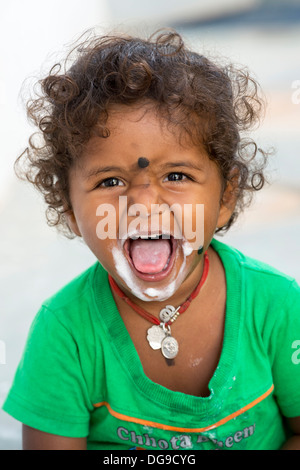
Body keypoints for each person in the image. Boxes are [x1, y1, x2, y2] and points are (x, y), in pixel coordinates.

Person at [2, 29, 300, 450]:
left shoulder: (277, 306)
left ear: (225, 198)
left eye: (176, 176)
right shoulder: (65, 333)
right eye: (110, 180)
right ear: (70, 211)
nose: (142, 202)